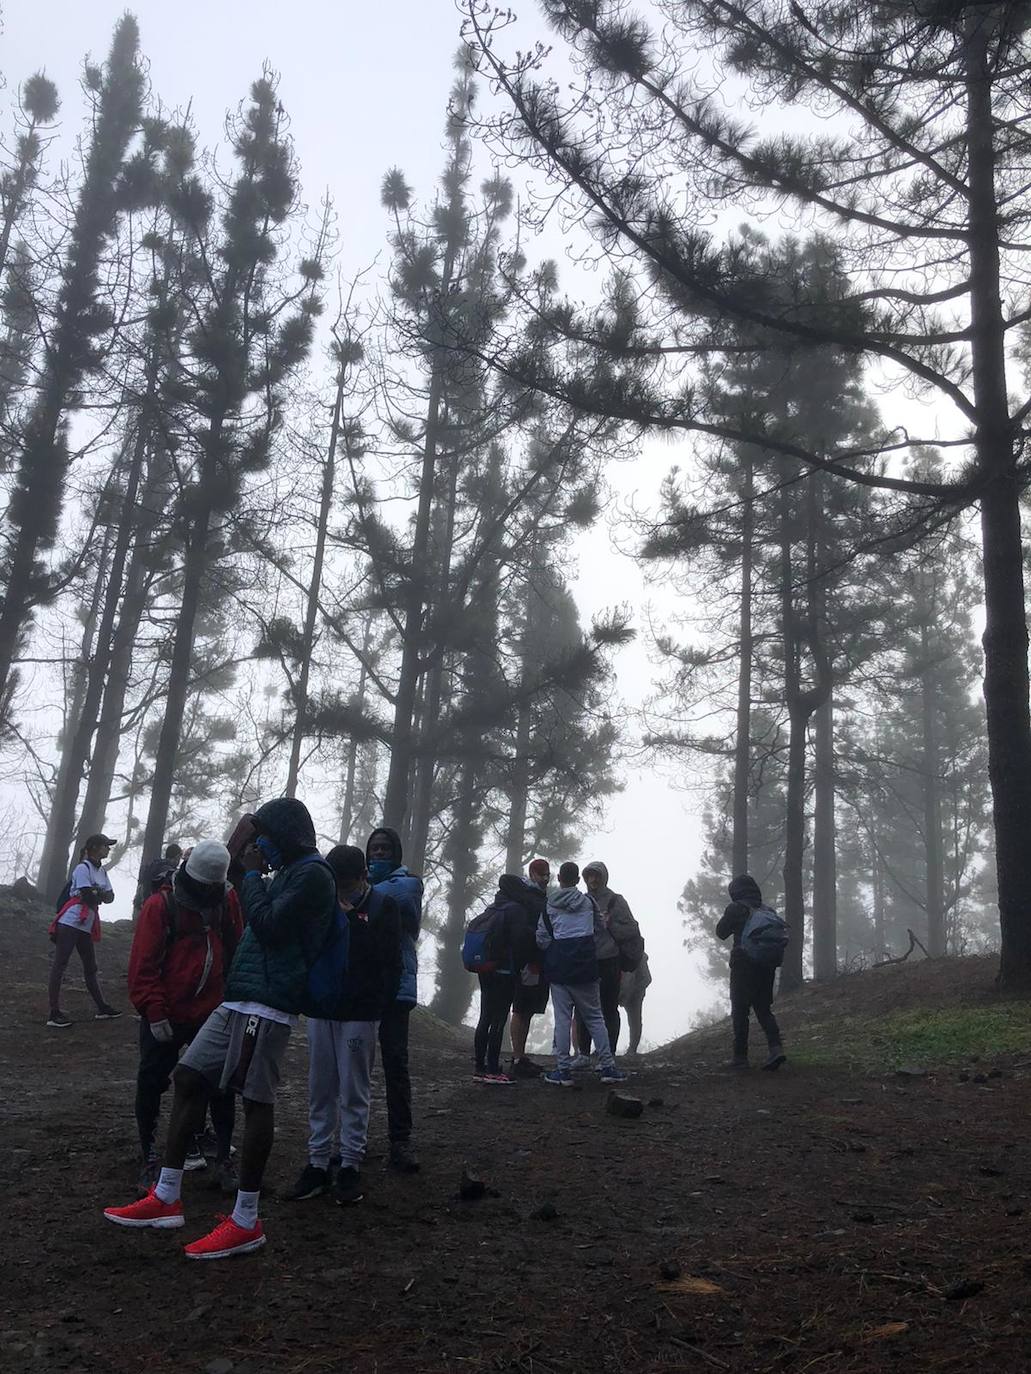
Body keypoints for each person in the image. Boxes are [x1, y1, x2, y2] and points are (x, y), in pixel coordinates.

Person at [103, 797, 335, 1260]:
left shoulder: (312, 874)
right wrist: (250, 868)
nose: (260, 845)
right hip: (239, 998)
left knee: (254, 1098)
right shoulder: (287, 872)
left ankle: (246, 1220)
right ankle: (166, 1194)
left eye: (265, 836)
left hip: (268, 1003)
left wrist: (250, 875)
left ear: (285, 834)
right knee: (189, 1077)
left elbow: (267, 925)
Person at [285, 844, 402, 1206]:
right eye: (337, 884)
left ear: (363, 877)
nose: (341, 890)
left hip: (361, 1013)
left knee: (354, 1090)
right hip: (323, 1009)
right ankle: (317, 1162)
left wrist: (351, 921)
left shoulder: (384, 907)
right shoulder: (322, 905)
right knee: (320, 1088)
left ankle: (350, 1162)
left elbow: (389, 960)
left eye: (348, 883)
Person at [128, 840, 243, 1195]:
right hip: (168, 1012)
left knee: (221, 1087)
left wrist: (233, 1002)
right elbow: (143, 966)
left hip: (212, 1011)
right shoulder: (159, 907)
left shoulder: (227, 900)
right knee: (152, 1080)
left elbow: (236, 950)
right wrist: (154, 1010)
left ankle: (223, 1158)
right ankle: (150, 1155)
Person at [536, 862, 626, 1087]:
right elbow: (599, 928)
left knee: (563, 1019)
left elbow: (542, 938)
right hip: (586, 967)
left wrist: (556, 947)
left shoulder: (549, 904)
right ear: (578, 880)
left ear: (559, 878)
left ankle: (563, 1070)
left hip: (559, 969)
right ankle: (607, 1067)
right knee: (595, 1017)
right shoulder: (588, 902)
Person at [366, 826, 424, 1172]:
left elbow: (395, 902)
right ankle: (350, 1140)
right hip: (363, 985)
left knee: (395, 1064)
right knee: (354, 1065)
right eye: (374, 849)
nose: (379, 854)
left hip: (397, 986)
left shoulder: (408, 883)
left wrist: (358, 890)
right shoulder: (370, 886)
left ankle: (400, 1141)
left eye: (385, 849)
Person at [46, 833, 121, 1027]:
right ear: (96, 847)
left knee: (90, 966)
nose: (109, 849)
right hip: (71, 921)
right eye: (106, 845)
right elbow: (89, 896)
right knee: (60, 964)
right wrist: (98, 894)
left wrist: (97, 894)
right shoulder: (82, 868)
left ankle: (102, 1007)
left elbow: (110, 897)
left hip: (85, 923)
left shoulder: (102, 872)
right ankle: (54, 1012)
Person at [716, 874, 787, 1071]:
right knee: (764, 1009)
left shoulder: (736, 908)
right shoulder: (767, 910)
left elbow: (720, 932)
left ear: (735, 892)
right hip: (766, 965)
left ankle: (740, 1057)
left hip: (743, 965)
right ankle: (776, 1048)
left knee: (740, 1011)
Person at [574, 860, 640, 1062]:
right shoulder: (581, 901)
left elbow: (632, 929)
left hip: (610, 961)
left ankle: (608, 1053)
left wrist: (610, 923)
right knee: (582, 1008)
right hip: (586, 961)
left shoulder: (616, 901)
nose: (593, 880)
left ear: (604, 877)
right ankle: (584, 1053)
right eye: (589, 876)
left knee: (609, 1008)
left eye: (596, 876)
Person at [507, 862, 550, 1077]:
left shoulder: (537, 897)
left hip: (534, 960)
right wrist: (530, 958)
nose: (545, 878)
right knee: (521, 1007)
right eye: (542, 874)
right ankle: (517, 1056)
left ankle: (520, 1055)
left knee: (527, 1009)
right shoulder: (526, 897)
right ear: (532, 874)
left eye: (547, 874)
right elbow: (525, 931)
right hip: (527, 960)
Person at [132, 842, 183, 922]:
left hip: (143, 905)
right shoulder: (169, 872)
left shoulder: (154, 866)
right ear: (177, 857)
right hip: (157, 909)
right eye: (180, 857)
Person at [619, 952, 652, 1058]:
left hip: (635, 995)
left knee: (634, 1021)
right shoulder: (615, 951)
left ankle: (632, 1049)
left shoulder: (639, 955)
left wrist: (633, 992)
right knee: (608, 1018)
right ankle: (607, 1048)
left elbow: (647, 979)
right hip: (618, 991)